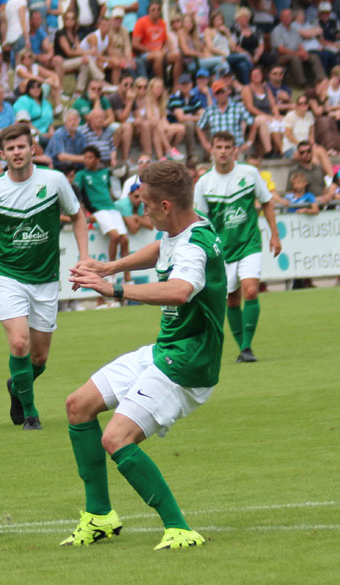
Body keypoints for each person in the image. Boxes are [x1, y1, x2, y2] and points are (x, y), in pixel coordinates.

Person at [63, 160, 223, 552]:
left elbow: (179, 291)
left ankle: (179, 528)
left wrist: (114, 290)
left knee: (116, 437)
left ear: (166, 205)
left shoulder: (196, 248)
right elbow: (161, 248)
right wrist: (112, 266)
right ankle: (100, 517)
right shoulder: (184, 227)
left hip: (188, 362)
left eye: (146, 203)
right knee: (78, 405)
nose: (141, 210)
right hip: (166, 348)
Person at [0, 122, 89, 431]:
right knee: (19, 343)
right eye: (10, 148)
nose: (16, 152)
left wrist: (84, 258)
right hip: (7, 275)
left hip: (45, 278)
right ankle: (30, 413)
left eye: (21, 147)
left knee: (39, 359)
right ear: (2, 154)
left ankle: (17, 386)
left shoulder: (54, 181)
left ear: (32, 149)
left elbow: (78, 216)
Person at [193, 131, 280, 364]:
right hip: (223, 250)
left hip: (249, 243)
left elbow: (267, 202)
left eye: (227, 147)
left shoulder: (249, 173)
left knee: (251, 290)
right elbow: (201, 221)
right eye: (218, 147)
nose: (223, 151)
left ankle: (246, 347)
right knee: (232, 298)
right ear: (211, 149)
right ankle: (242, 347)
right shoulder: (204, 184)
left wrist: (275, 235)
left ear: (235, 150)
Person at [75, 146, 129, 277]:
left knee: (125, 240)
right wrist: (85, 213)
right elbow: (76, 194)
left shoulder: (105, 172)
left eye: (90, 157)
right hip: (98, 210)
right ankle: (111, 274)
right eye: (85, 157)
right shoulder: (81, 174)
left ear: (97, 159)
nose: (87, 160)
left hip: (112, 209)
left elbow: (110, 191)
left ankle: (128, 277)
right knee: (115, 236)